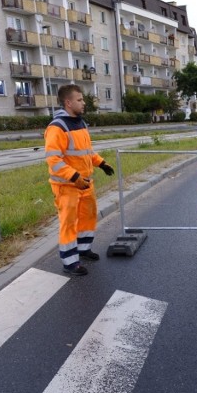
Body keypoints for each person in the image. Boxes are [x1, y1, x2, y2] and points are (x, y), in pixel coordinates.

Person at [44, 84, 114, 276]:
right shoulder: (57, 127)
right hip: (67, 186)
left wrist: (102, 163)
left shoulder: (80, 123)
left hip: (85, 183)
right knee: (69, 223)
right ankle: (70, 262)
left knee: (88, 217)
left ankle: (83, 249)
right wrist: (74, 177)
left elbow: (86, 152)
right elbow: (53, 159)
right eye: (80, 100)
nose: (84, 103)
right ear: (68, 102)